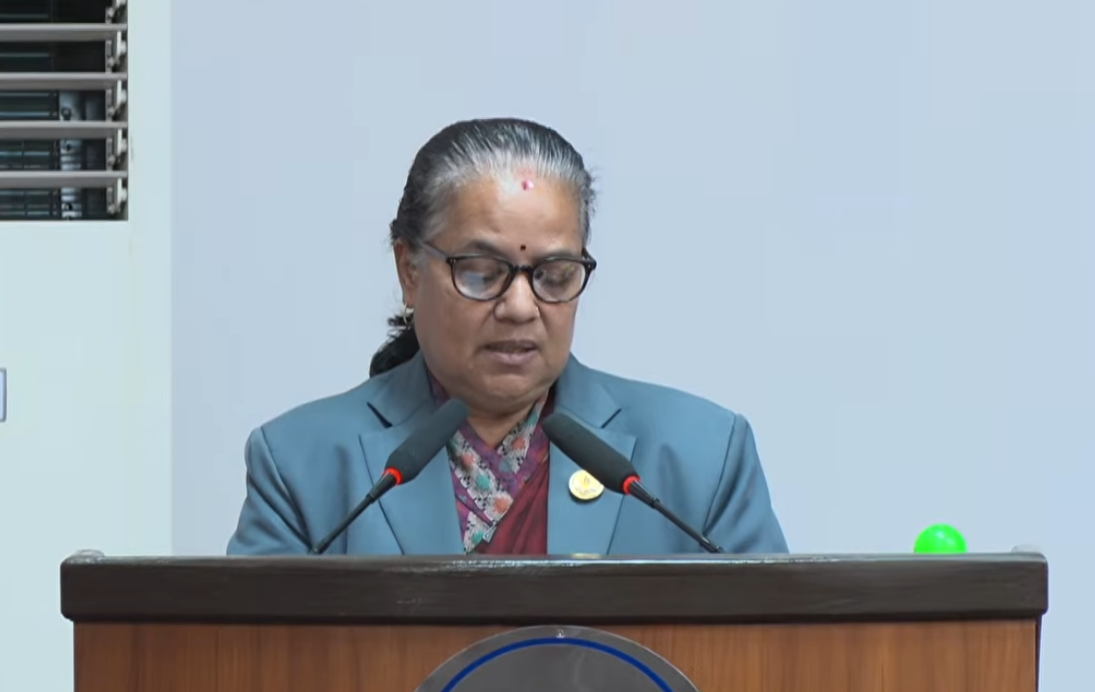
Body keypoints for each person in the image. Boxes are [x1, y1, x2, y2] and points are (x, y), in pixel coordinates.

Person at [227, 117, 788, 556]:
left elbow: (769, 650)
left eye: (554, 275)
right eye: (481, 272)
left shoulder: (702, 456)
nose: (521, 307)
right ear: (409, 271)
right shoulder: (301, 464)